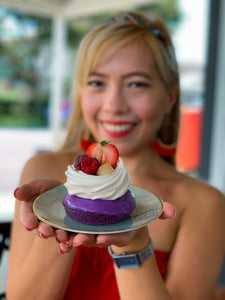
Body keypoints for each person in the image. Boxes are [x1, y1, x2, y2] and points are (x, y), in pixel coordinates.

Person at [7, 11, 225, 300]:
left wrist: (134, 243)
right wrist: (57, 217)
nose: (114, 105)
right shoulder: (43, 170)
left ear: (169, 97)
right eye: (97, 82)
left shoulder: (202, 203)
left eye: (137, 84)